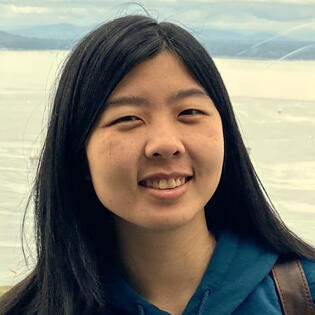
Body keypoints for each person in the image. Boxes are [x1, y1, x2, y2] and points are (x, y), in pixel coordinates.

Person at [0, 14, 314, 315]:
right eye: (128, 118)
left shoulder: (303, 293)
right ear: (78, 153)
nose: (165, 144)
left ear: (226, 135)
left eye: (189, 112)